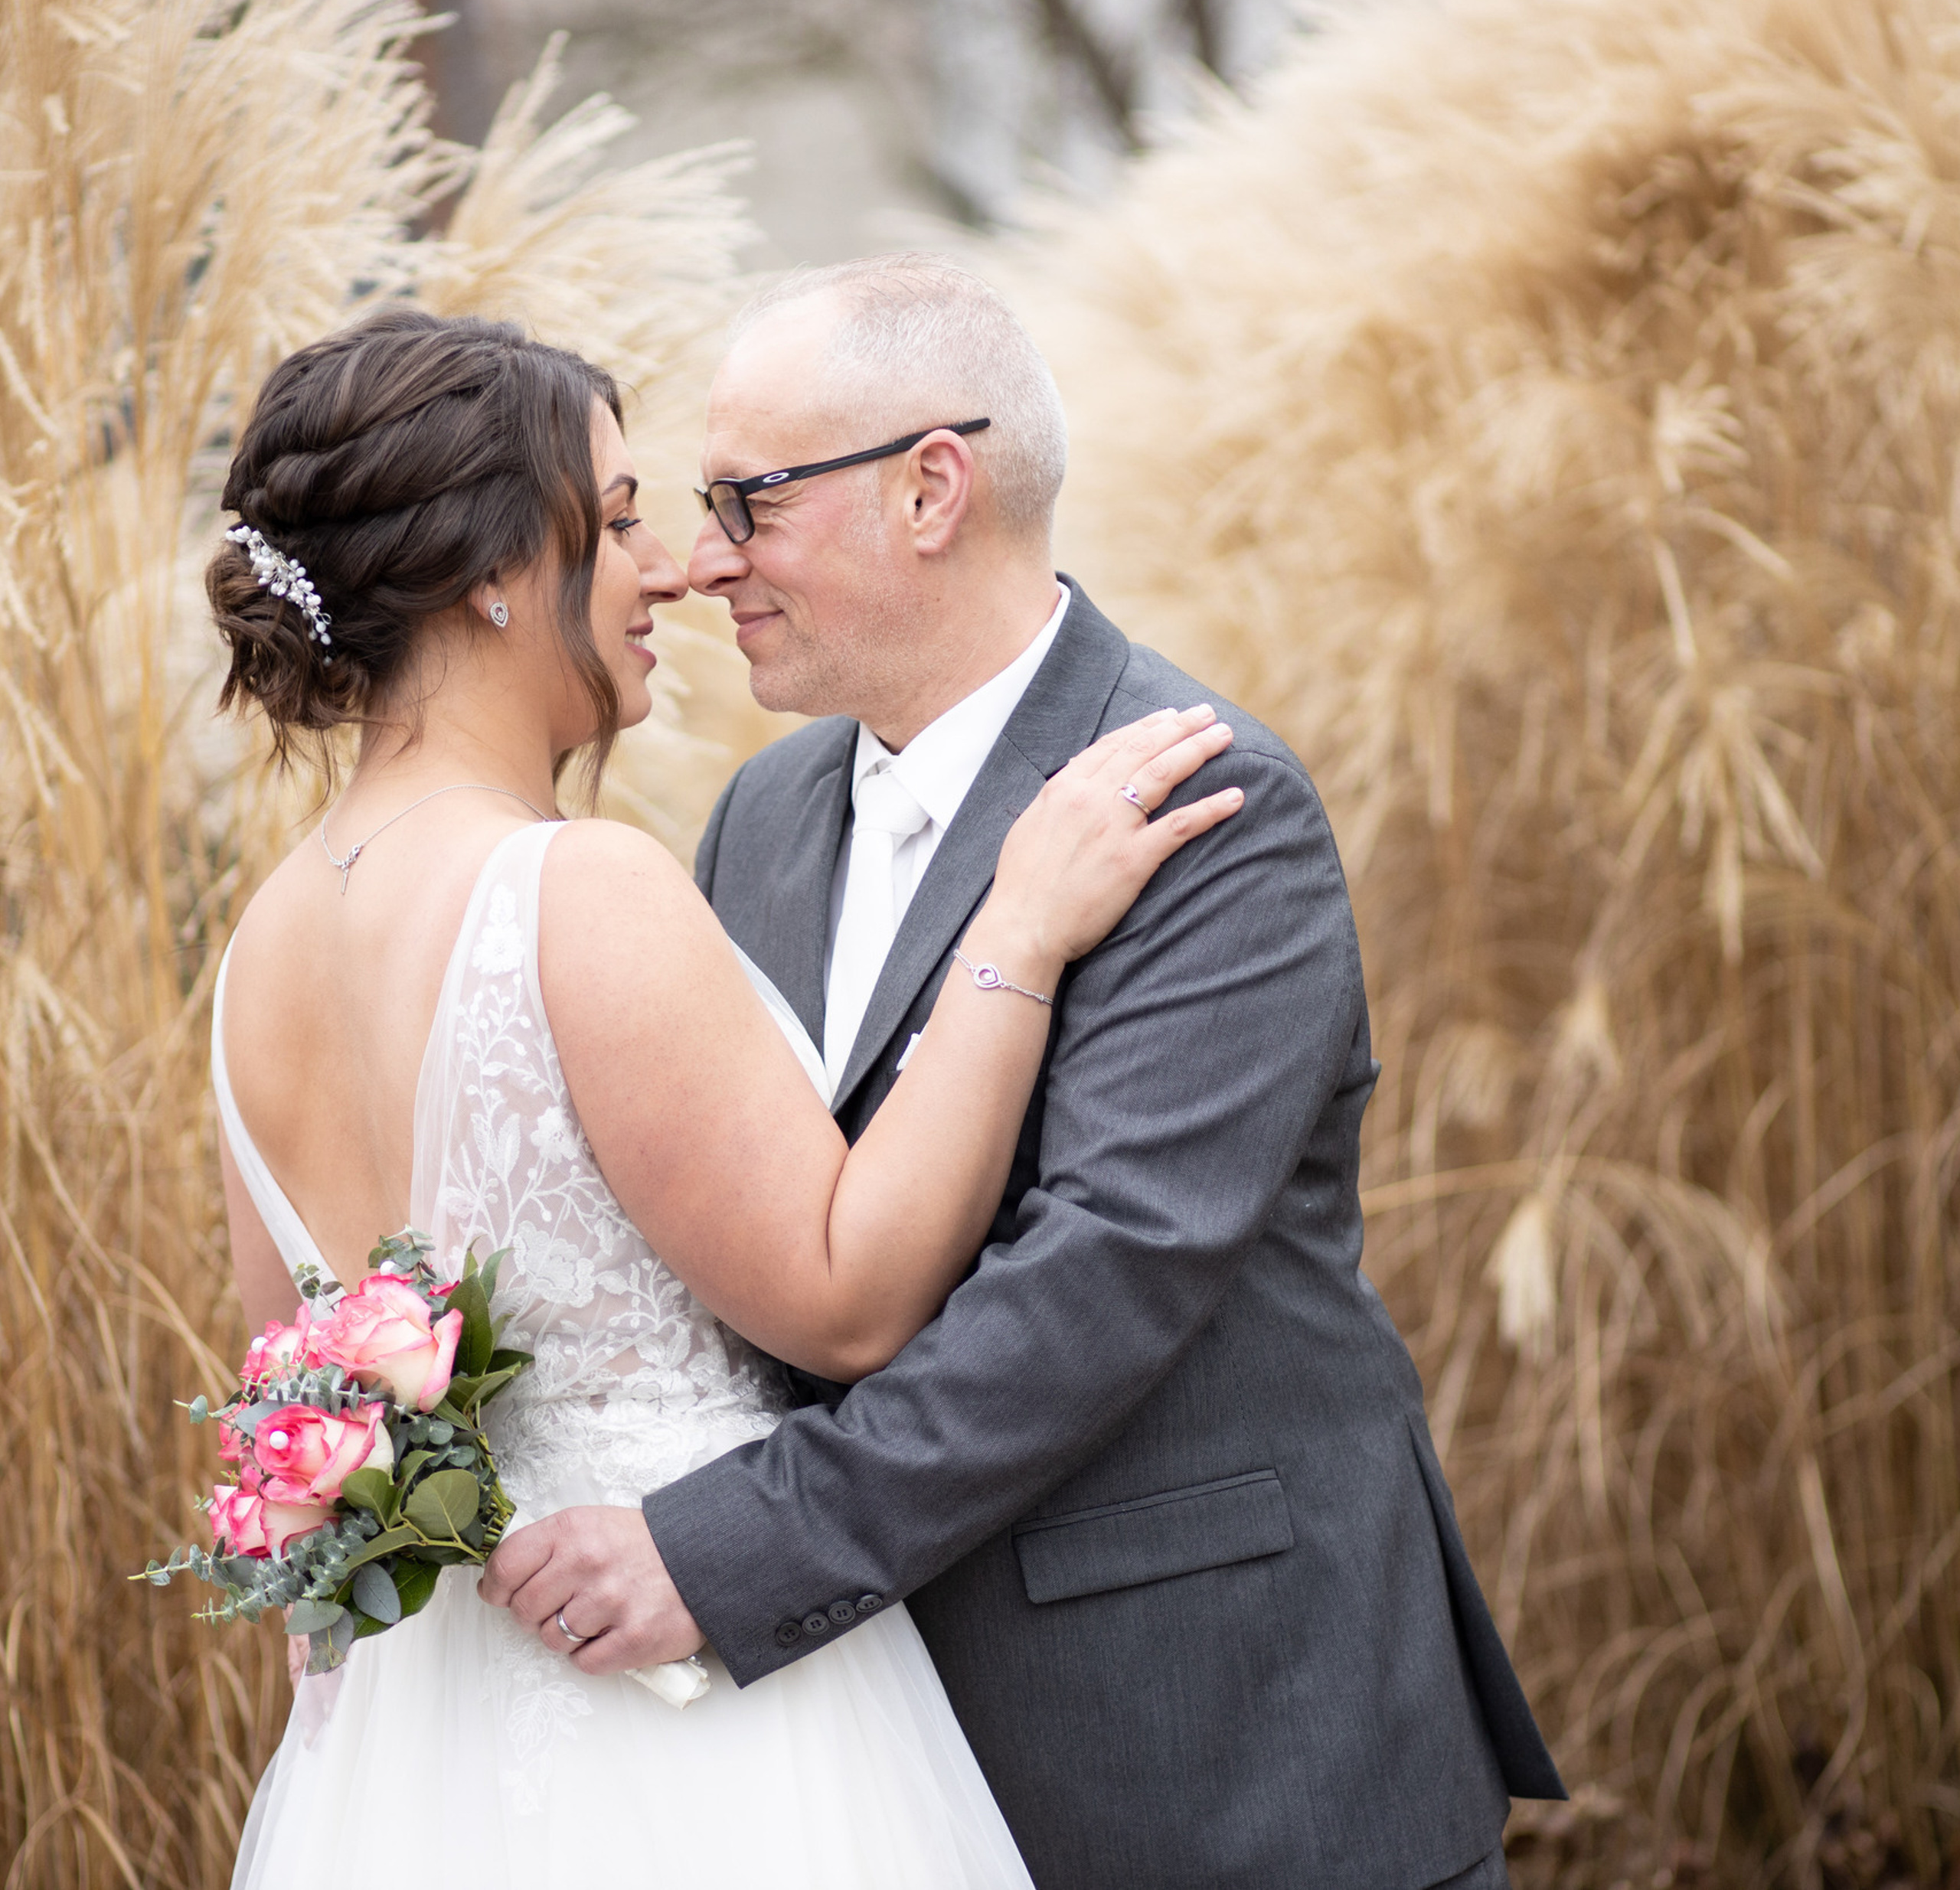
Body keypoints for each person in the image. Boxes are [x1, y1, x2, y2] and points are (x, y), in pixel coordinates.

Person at [489, 254, 1567, 1890]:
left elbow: (1102, 1275)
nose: (704, 564)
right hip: (870, 1759)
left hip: (1212, 1732)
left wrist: (730, 1550)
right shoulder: (761, 820)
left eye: (748, 502)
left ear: (931, 488)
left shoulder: (1203, 804)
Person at [206, 302, 1242, 1888]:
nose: (671, 569)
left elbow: (300, 1388)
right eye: (617, 521)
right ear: (491, 573)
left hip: (429, 1736)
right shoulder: (574, 887)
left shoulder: (260, 949)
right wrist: (1018, 930)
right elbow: (840, 1298)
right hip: (686, 1724)